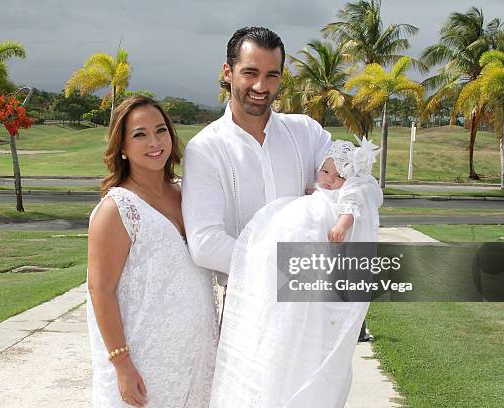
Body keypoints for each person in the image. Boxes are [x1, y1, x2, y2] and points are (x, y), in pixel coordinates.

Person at [210, 138, 383, 407]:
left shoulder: (349, 193)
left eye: (337, 176)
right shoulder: (320, 190)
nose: (329, 179)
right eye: (325, 172)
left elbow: (351, 207)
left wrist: (341, 225)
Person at [86, 96, 218, 408]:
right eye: (140, 134)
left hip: (196, 361)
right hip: (145, 366)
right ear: (121, 146)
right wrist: (121, 365)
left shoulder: (190, 193)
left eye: (160, 130)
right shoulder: (116, 209)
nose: (154, 142)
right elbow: (100, 290)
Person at [182, 26, 332, 288]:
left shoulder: (307, 132)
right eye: (250, 73)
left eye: (271, 75)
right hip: (247, 303)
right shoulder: (205, 148)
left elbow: (352, 188)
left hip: (313, 299)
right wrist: (291, 267)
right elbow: (205, 244)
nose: (261, 86)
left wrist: (327, 200)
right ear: (228, 72)